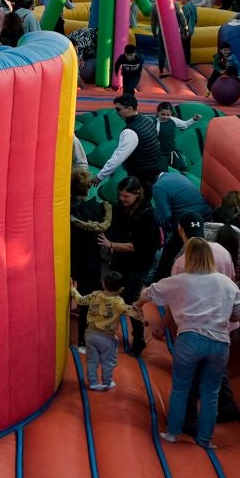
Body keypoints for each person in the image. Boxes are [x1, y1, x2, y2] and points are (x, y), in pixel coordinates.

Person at [141, 237, 240, 449]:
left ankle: (173, 432)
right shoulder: (225, 282)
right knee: (210, 393)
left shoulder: (181, 279)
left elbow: (150, 291)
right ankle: (205, 439)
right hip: (219, 343)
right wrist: (224, 316)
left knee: (181, 388)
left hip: (190, 339)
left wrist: (138, 304)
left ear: (188, 257)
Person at [101, 177, 159, 357]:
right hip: (121, 259)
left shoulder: (147, 215)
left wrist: (111, 244)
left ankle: (139, 338)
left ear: (137, 194)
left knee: (131, 300)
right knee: (113, 294)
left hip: (138, 262)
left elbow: (137, 246)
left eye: (126, 196)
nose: (122, 199)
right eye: (120, 195)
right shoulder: (119, 207)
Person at [72, 272, 143, 391]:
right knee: (108, 361)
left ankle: (93, 382)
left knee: (92, 359)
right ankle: (107, 382)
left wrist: (73, 290)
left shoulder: (95, 295)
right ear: (121, 289)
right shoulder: (118, 301)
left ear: (103, 284)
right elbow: (130, 311)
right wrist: (141, 316)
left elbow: (80, 300)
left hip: (90, 334)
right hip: (106, 337)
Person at [69, 167, 112, 352]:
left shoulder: (66, 209)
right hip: (91, 260)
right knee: (89, 300)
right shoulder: (98, 209)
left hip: (70, 257)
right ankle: (82, 341)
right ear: (88, 189)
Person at [96, 94, 165, 189]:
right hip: (157, 169)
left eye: (118, 109)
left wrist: (100, 176)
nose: (116, 112)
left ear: (129, 108)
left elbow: (118, 157)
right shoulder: (148, 120)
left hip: (142, 175)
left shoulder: (130, 131)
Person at [176, 0, 198, 67]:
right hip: (191, 30)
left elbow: (183, 21)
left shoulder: (185, 7)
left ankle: (183, 63)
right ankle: (187, 62)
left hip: (185, 30)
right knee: (187, 46)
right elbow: (196, 19)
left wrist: (182, 31)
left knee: (183, 47)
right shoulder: (193, 6)